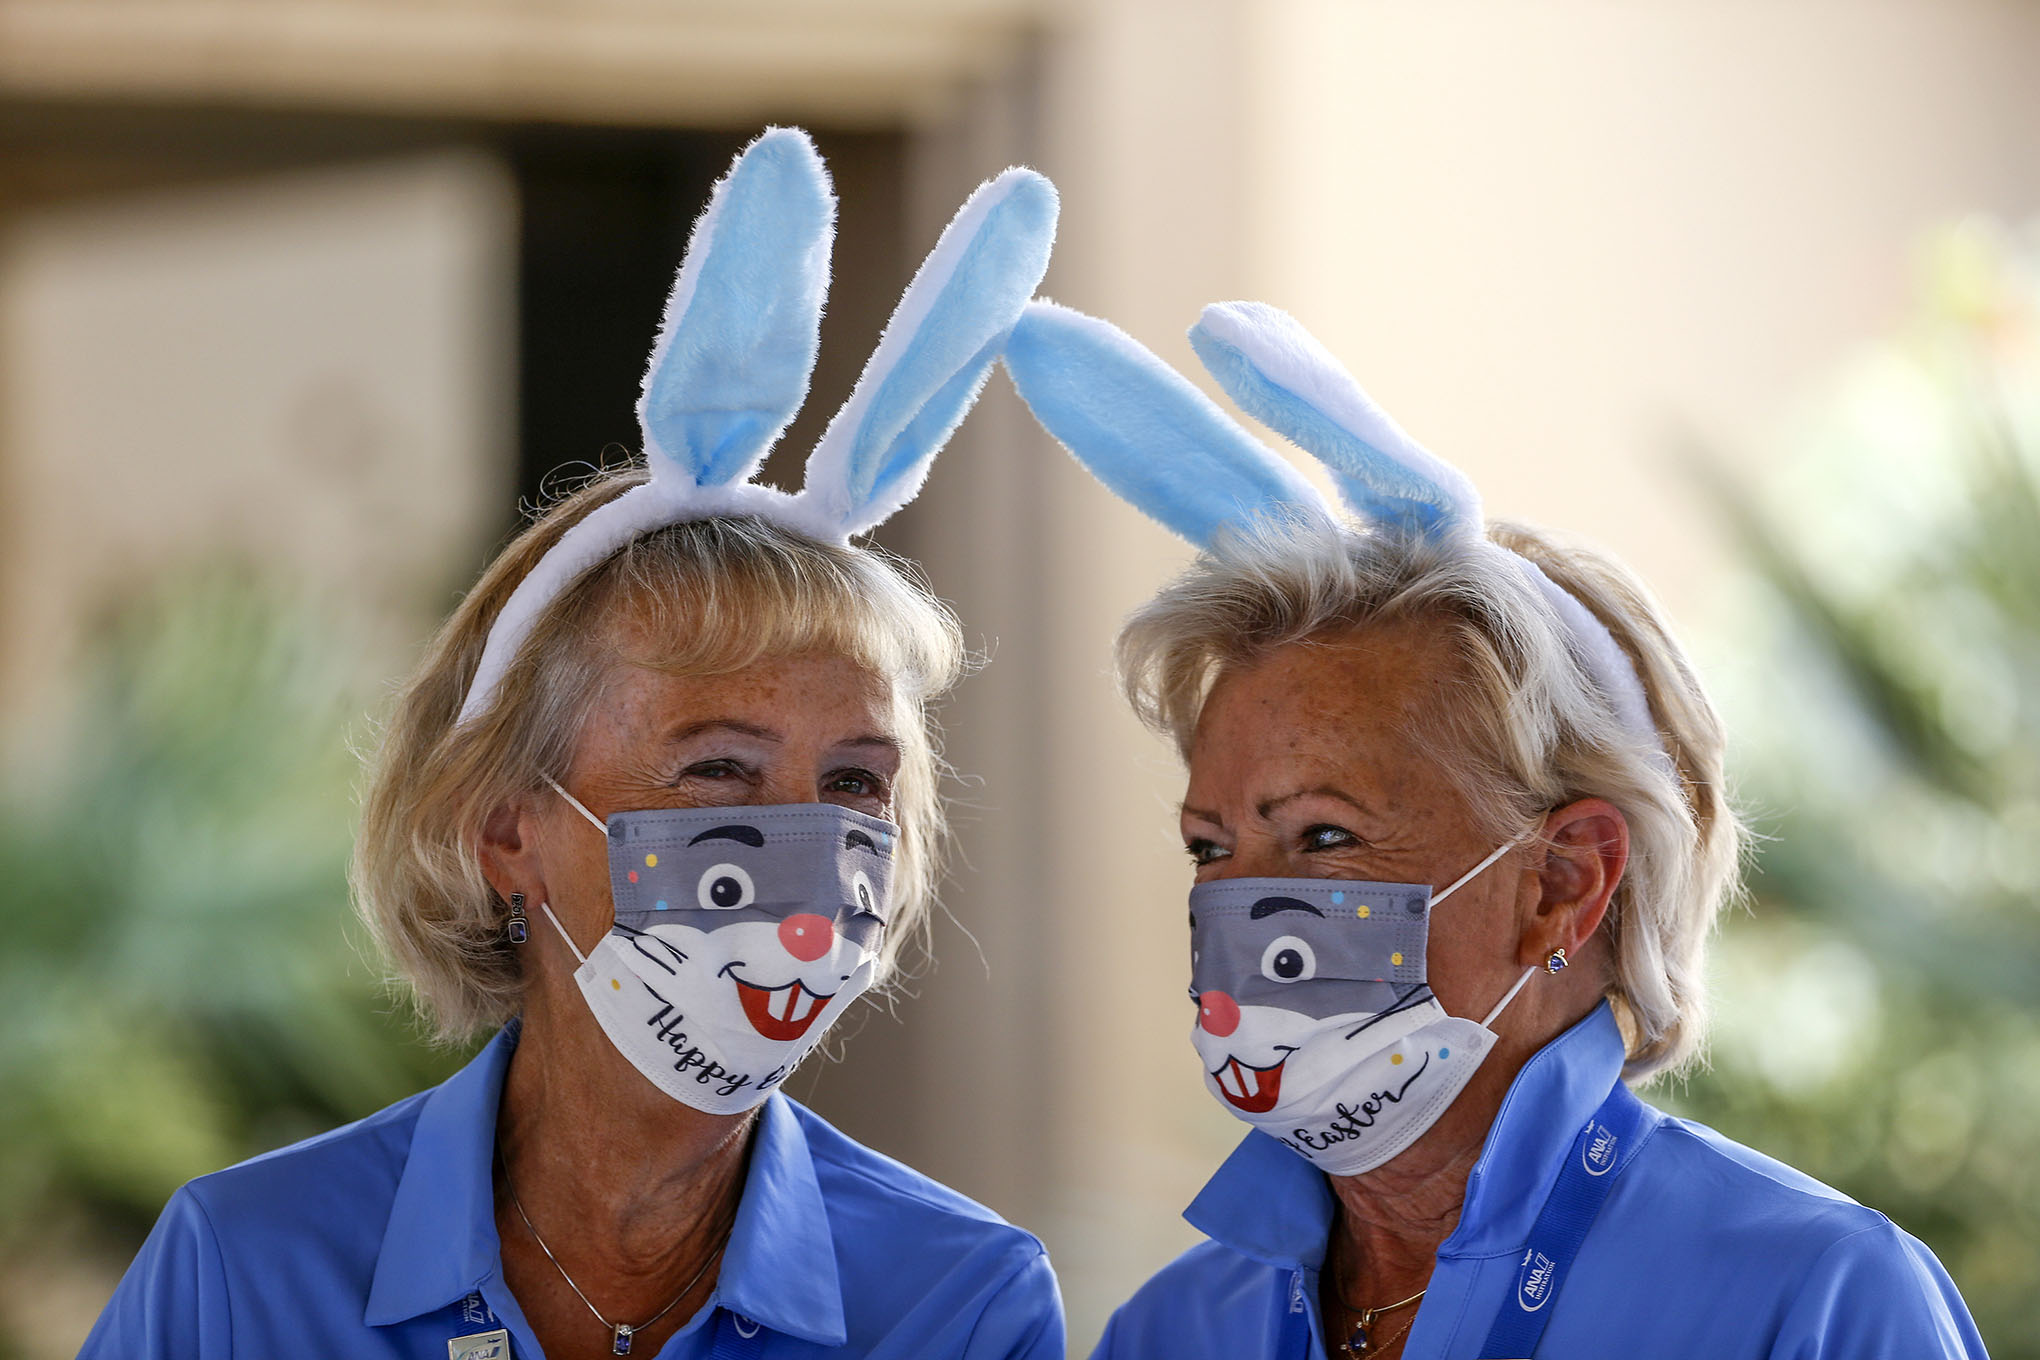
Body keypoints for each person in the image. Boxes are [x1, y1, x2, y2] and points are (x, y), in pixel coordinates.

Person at [81, 128, 1063, 1360]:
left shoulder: (957, 1300)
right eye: (720, 769)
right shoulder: (249, 1271)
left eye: (857, 782)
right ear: (508, 831)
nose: (811, 854)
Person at [1001, 299, 1989, 1358]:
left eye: (1324, 837)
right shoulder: (1176, 1329)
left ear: (1564, 881)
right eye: (1210, 845)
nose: (1237, 910)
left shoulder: (1816, 1297)